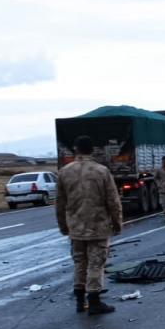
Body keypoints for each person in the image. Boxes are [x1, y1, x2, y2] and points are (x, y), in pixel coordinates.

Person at [55, 135, 124, 316]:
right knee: (96, 263)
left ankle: (79, 300)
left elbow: (60, 203)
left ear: (76, 150)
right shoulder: (101, 171)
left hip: (76, 227)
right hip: (98, 226)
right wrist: (117, 223)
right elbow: (113, 201)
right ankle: (94, 300)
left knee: (79, 262)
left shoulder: (64, 172)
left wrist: (63, 226)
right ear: (92, 150)